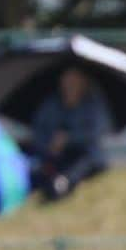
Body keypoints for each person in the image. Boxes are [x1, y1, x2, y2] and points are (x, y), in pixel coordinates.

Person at [28, 66, 110, 201]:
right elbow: (38, 131)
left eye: (75, 79)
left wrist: (69, 139)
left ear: (84, 81)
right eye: (67, 78)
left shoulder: (93, 105)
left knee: (83, 160)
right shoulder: (50, 105)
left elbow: (95, 134)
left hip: (83, 156)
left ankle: (63, 183)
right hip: (54, 154)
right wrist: (50, 144)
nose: (70, 83)